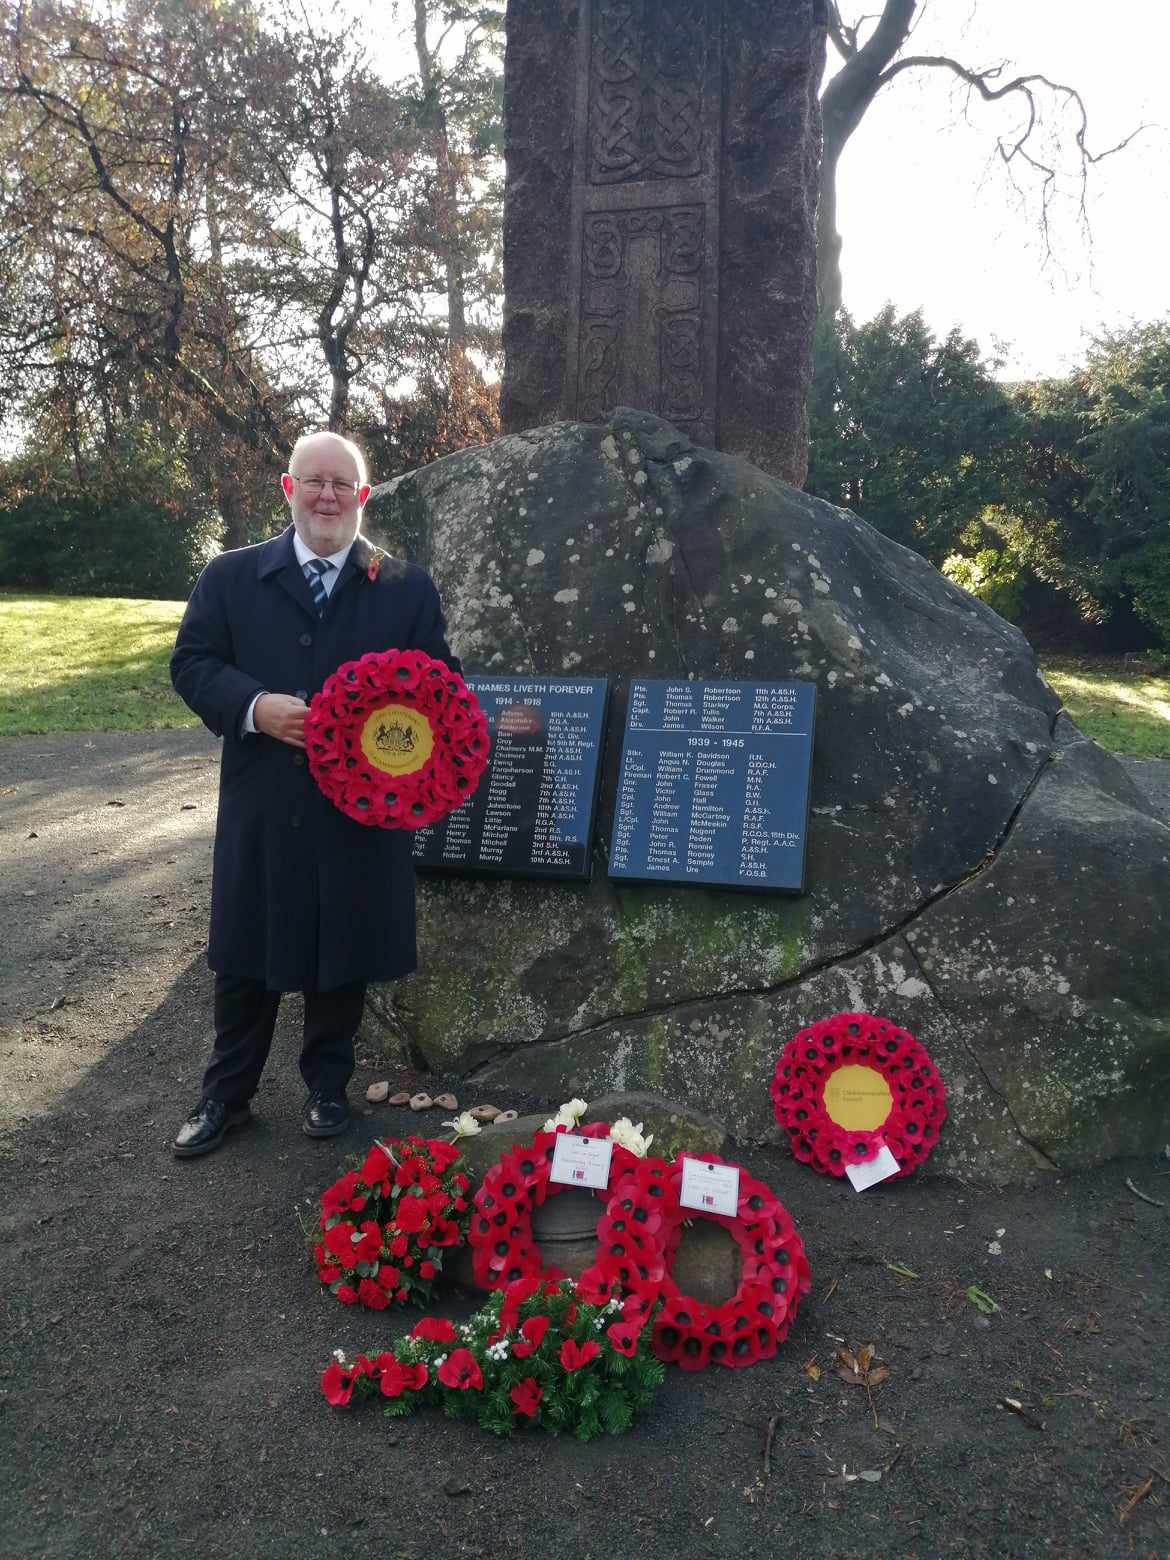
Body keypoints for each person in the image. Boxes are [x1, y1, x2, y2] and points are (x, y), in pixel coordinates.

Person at [169, 431, 459, 1158]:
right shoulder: (230, 577)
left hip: (359, 816)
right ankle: (225, 1097)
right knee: (244, 957)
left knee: (343, 954)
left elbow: (441, 690)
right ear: (287, 489)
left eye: (343, 485)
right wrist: (255, 706)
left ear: (363, 498)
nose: (328, 496)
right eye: (314, 482)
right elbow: (193, 662)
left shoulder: (405, 586)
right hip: (264, 802)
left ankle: (328, 1089)